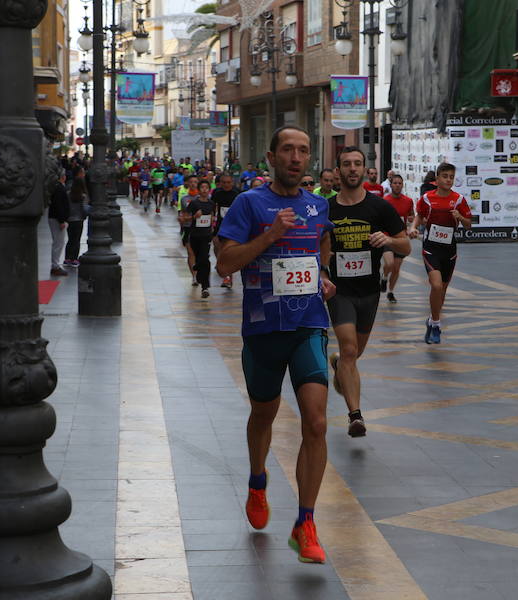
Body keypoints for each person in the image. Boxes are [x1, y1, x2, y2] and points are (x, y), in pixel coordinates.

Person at [215, 125, 335, 565]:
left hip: (308, 325)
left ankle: (305, 523)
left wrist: (323, 277)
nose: (296, 158)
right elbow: (225, 262)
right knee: (263, 413)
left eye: (304, 151)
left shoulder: (318, 205)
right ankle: (257, 479)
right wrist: (267, 237)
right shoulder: (249, 204)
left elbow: (319, 247)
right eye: (287, 149)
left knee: (317, 423)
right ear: (271, 156)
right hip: (263, 331)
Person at [326, 147, 410, 437]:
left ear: (364, 170)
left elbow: (406, 246)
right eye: (346, 164)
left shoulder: (380, 207)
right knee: (349, 349)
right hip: (339, 291)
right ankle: (355, 416)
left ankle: (338, 365)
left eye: (357, 164)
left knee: (353, 354)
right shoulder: (327, 208)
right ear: (338, 171)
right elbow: (316, 246)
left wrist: (387, 239)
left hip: (369, 292)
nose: (352, 168)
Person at [410, 162, 472, 344]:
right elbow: (419, 216)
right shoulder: (427, 198)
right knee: (436, 286)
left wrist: (460, 218)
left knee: (442, 290)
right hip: (431, 248)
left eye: (452, 177)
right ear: (437, 179)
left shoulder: (459, 199)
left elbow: (469, 224)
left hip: (449, 249)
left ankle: (431, 320)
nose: (448, 180)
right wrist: (413, 228)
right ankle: (436, 324)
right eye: (445, 176)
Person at [381, 174, 415, 303]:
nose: (397, 185)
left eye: (400, 183)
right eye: (395, 183)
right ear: (391, 185)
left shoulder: (408, 201)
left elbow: (412, 215)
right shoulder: (385, 200)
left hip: (401, 238)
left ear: (402, 185)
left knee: (396, 268)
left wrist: (411, 222)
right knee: (389, 263)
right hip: (387, 237)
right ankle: (384, 277)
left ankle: (390, 291)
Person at [187, 180, 216, 299]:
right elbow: (184, 218)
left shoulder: (211, 203)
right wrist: (194, 216)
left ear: (209, 189)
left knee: (205, 258)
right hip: (194, 235)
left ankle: (205, 287)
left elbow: (213, 216)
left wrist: (213, 222)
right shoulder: (194, 203)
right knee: (200, 258)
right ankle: (197, 267)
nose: (204, 190)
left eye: (206, 187)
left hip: (206, 235)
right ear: (199, 190)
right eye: (202, 187)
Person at [211, 173, 239, 289]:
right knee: (217, 246)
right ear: (220, 183)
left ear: (232, 183)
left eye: (228, 183)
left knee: (228, 250)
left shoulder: (238, 193)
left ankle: (228, 276)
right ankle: (221, 264)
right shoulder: (217, 193)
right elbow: (213, 206)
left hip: (233, 225)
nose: (226, 185)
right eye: (224, 183)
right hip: (220, 224)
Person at [178, 174, 201, 285]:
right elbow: (182, 213)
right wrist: (181, 219)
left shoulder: (203, 198)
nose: (193, 184)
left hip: (201, 229)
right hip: (188, 228)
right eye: (191, 182)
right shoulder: (184, 198)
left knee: (199, 254)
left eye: (195, 182)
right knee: (190, 253)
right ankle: (194, 276)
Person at [64, 167, 89, 267]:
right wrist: (85, 215)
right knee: (76, 240)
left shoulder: (68, 194)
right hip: (79, 219)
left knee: (70, 239)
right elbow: (84, 208)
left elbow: (66, 206)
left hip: (70, 219)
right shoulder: (82, 196)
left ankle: (67, 258)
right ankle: (74, 258)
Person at [48, 171, 70, 277]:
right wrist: (61, 220)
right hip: (57, 219)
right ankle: (55, 266)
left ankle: (55, 265)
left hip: (55, 218)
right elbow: (59, 205)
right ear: (63, 177)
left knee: (58, 242)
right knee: (58, 243)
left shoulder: (57, 188)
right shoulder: (60, 189)